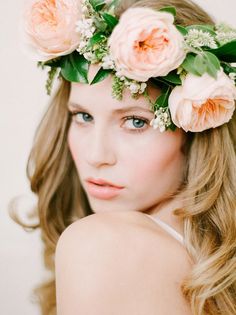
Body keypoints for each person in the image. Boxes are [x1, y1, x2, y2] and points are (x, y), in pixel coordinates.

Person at [13, 0, 236, 314]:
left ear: (198, 127)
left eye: (136, 122)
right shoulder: (212, 268)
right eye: (83, 117)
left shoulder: (101, 245)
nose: (96, 155)